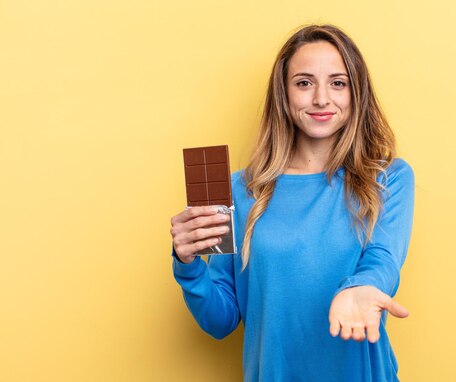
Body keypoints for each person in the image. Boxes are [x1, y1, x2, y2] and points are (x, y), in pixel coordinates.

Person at [170, 24, 415, 381]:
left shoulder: (389, 177)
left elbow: (383, 259)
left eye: (338, 83)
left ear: (356, 93)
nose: (321, 98)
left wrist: (361, 288)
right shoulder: (237, 190)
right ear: (283, 95)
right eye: (304, 83)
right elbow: (220, 320)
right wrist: (188, 264)